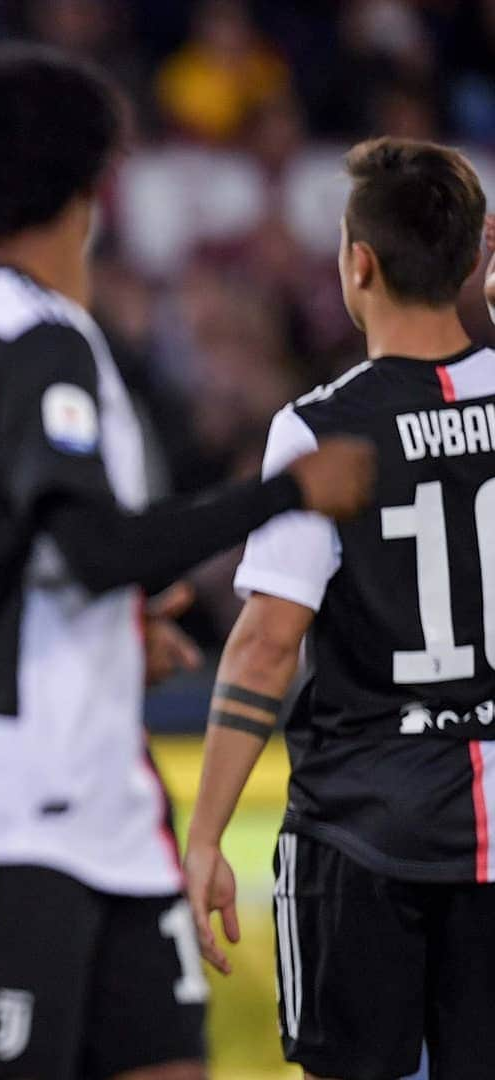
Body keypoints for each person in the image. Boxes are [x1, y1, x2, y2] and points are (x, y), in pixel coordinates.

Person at [0, 44, 374, 1080]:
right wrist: (288, 490)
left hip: (102, 807)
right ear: (90, 181)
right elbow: (92, 550)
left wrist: (94, 630)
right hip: (8, 802)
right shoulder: (36, 341)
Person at [183, 137, 493, 1080]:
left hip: (365, 821)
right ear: (478, 256)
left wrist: (204, 836)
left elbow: (268, 646)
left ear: (357, 263)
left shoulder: (321, 429)